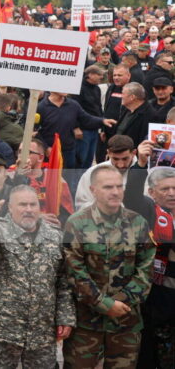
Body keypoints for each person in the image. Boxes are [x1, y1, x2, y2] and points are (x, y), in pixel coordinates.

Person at [0, 185, 76, 368]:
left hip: (42, 330)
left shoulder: (55, 236)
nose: (29, 209)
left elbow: (64, 282)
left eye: (33, 204)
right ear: (10, 207)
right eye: (22, 205)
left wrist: (65, 317)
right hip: (3, 329)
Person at [62, 166, 155, 368]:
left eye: (119, 186)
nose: (115, 192)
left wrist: (120, 302)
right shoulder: (77, 223)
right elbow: (74, 272)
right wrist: (104, 304)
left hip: (125, 322)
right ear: (93, 190)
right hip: (87, 324)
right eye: (107, 187)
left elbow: (146, 270)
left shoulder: (138, 223)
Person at [125, 143, 175, 367]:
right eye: (165, 189)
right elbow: (131, 196)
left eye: (174, 188)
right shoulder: (147, 209)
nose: (171, 193)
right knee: (147, 350)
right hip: (153, 293)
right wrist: (141, 164)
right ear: (152, 192)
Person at [74, 135, 136, 212]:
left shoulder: (144, 172)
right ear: (108, 153)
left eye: (125, 159)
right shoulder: (92, 173)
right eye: (115, 159)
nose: (120, 165)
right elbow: (82, 205)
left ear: (134, 153)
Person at [116, 82, 153, 146]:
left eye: (123, 93)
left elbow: (143, 140)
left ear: (132, 97)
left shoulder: (149, 115)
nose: (121, 96)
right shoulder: (127, 110)